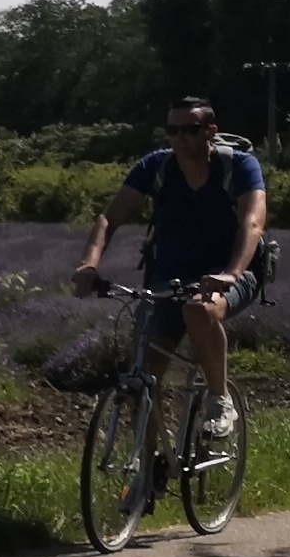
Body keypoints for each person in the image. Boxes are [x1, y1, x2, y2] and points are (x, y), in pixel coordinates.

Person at [72, 97, 267, 438]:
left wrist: (231, 274)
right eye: (173, 130)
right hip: (169, 278)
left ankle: (220, 400)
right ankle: (146, 477)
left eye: (190, 130)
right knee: (143, 376)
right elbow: (110, 217)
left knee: (198, 310)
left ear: (210, 131)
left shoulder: (239, 166)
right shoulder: (156, 167)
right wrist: (89, 265)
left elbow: (252, 224)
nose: (180, 138)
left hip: (233, 271)